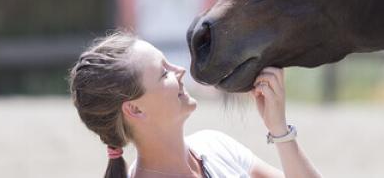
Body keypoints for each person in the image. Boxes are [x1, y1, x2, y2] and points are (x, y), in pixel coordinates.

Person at [69, 31, 322, 178]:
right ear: (135, 109)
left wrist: (279, 130)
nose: (179, 71)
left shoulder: (212, 146)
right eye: (163, 73)